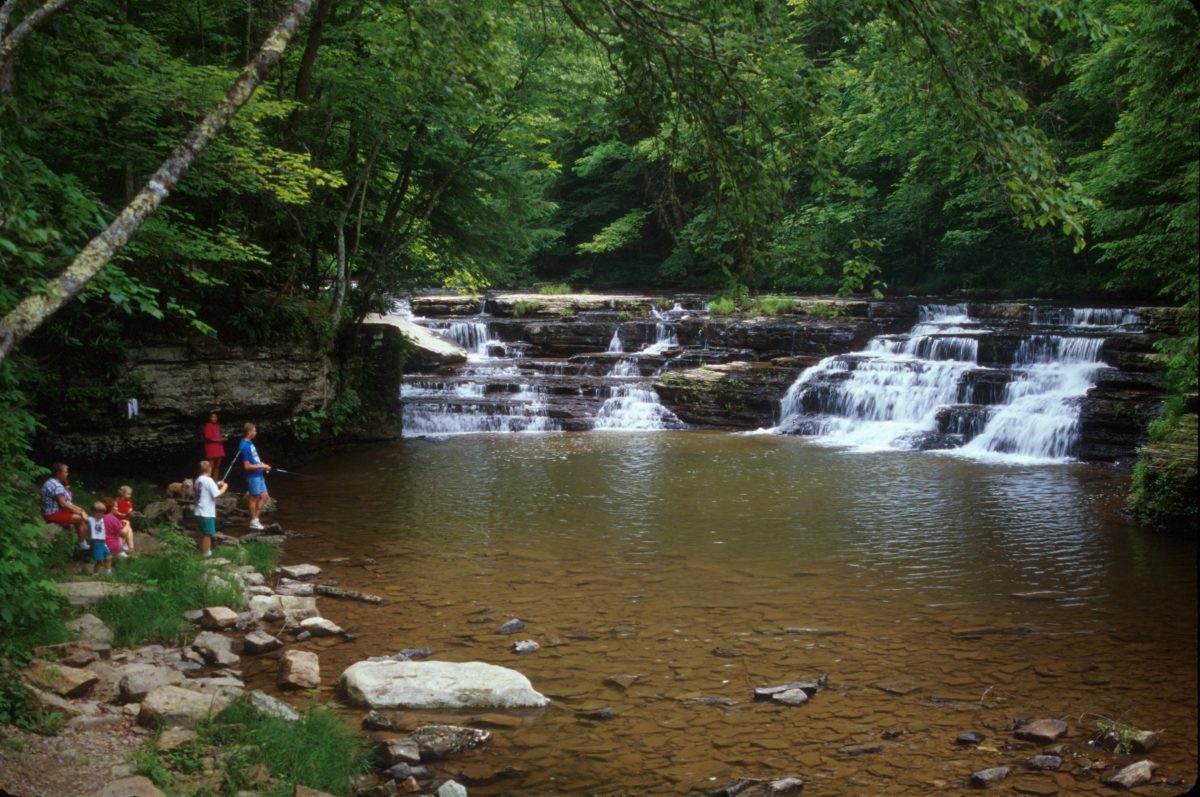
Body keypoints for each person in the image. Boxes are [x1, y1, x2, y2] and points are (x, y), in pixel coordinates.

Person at [41, 463, 88, 551]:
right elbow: (63, 504)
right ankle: (82, 545)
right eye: (65, 472)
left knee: (81, 517)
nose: (67, 474)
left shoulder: (50, 482)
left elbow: (66, 503)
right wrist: (79, 512)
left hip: (50, 511)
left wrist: (80, 510)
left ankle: (82, 543)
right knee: (80, 519)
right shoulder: (57, 486)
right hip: (52, 514)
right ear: (58, 473)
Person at [239, 422, 271, 530]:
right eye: (254, 430)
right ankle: (253, 521)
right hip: (252, 476)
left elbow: (255, 459)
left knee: (265, 496)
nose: (255, 432)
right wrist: (261, 467)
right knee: (254, 497)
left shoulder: (250, 443)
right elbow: (247, 466)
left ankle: (256, 519)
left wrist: (263, 465)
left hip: (258, 473)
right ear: (249, 432)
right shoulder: (245, 446)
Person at [194, 460, 228, 557]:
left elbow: (206, 489)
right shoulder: (208, 480)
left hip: (198, 511)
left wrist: (217, 484)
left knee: (204, 532)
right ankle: (206, 554)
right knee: (207, 534)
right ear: (210, 469)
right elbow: (217, 494)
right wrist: (225, 487)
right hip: (206, 512)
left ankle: (205, 551)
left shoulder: (198, 480)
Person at [86, 502, 113, 575]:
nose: (103, 515)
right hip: (96, 541)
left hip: (102, 541)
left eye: (103, 513)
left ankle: (109, 573)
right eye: (100, 513)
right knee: (99, 560)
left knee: (109, 557)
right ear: (94, 512)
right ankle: (95, 573)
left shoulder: (102, 519)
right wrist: (81, 512)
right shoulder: (91, 519)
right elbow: (84, 517)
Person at [203, 412, 226, 481]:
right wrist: (220, 439)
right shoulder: (208, 426)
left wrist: (223, 438)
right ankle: (208, 482)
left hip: (219, 448)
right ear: (209, 418)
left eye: (215, 417)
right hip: (211, 449)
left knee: (217, 467)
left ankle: (215, 482)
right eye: (212, 417)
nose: (214, 418)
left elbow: (216, 436)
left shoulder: (217, 426)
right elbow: (208, 438)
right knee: (210, 467)